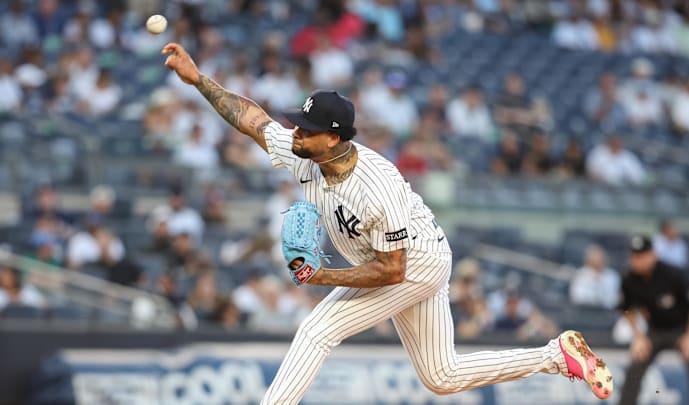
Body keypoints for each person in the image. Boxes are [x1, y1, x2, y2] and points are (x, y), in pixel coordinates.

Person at [162, 42, 613, 404]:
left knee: (318, 330)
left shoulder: (376, 185)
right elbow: (252, 121)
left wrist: (323, 276)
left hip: (413, 263)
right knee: (441, 376)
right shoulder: (305, 154)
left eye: (305, 128)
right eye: (297, 125)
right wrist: (198, 79)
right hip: (405, 257)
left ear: (334, 137)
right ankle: (556, 355)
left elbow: (392, 271)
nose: (294, 132)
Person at [617, 235, 689, 405]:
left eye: (641, 256)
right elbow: (626, 308)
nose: (637, 261)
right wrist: (638, 336)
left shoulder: (672, 273)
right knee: (635, 367)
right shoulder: (629, 279)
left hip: (683, 328)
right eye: (634, 256)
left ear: (652, 255)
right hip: (655, 329)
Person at [570, 244, 620, 310]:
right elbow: (577, 297)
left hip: (606, 312)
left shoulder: (613, 275)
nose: (597, 262)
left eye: (600, 260)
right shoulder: (580, 275)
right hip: (584, 312)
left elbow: (614, 299)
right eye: (594, 260)